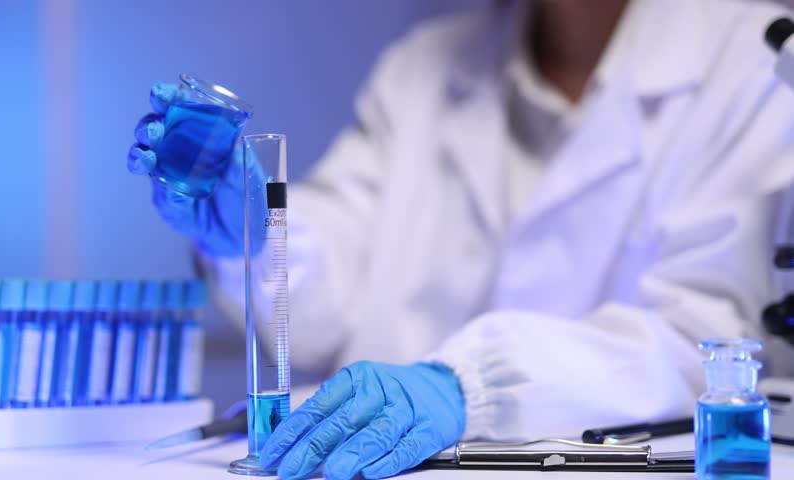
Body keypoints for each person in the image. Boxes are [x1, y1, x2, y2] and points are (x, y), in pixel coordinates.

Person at [128, 0, 794, 478]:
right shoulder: (420, 66)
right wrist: (248, 239)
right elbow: (322, 300)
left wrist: (463, 387)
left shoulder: (755, 62)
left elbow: (708, 338)